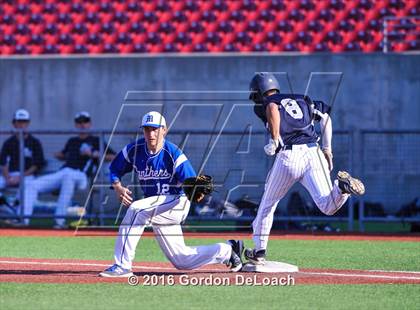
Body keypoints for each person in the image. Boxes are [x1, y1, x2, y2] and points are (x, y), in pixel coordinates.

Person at [99, 111, 243, 277]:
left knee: (136, 210)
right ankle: (228, 250)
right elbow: (114, 168)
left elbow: (192, 183)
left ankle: (122, 267)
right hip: (156, 207)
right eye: (147, 129)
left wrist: (197, 190)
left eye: (155, 129)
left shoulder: (172, 153)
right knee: (182, 260)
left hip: (176, 202)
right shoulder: (134, 149)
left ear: (164, 130)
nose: (151, 133)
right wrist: (117, 186)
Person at [245, 73, 365, 264]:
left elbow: (272, 107)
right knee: (328, 206)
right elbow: (326, 118)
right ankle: (342, 188)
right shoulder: (302, 98)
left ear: (258, 92)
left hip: (289, 156)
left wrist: (274, 140)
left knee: (268, 204)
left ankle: (259, 252)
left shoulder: (265, 103)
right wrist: (328, 149)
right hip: (313, 152)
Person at [24, 111, 115, 228]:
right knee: (32, 185)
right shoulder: (72, 141)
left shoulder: (96, 140)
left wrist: (93, 153)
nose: (82, 124)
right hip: (65, 172)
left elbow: (113, 156)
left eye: (85, 121)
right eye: (79, 122)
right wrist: (59, 155)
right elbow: (63, 154)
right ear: (76, 125)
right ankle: (23, 221)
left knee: (68, 177)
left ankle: (59, 221)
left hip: (82, 177)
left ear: (90, 124)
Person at [0, 109, 45, 215]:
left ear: (28, 123)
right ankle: (9, 206)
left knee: (29, 186)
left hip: (27, 176)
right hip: (10, 175)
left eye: (24, 121)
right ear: (14, 123)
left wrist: (20, 177)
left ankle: (19, 218)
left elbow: (37, 164)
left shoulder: (34, 142)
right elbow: (3, 163)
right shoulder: (8, 142)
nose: (21, 124)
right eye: (18, 121)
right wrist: (7, 178)